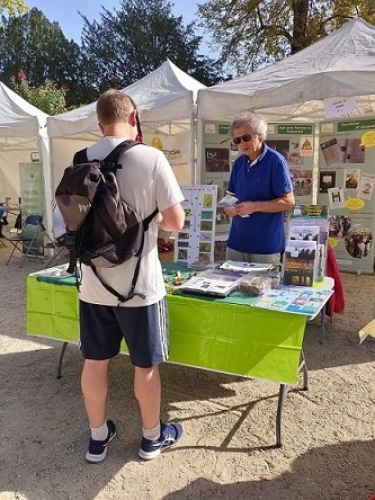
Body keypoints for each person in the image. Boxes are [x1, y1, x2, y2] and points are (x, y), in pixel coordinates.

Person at [78, 89, 185, 463]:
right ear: (134, 117)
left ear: (99, 123)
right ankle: (151, 438)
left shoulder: (80, 160)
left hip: (93, 285)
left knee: (95, 362)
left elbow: (69, 222)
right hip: (140, 288)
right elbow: (176, 221)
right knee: (146, 366)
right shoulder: (152, 157)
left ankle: (96, 438)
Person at [224, 113, 295, 264]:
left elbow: (288, 202)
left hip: (265, 247)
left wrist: (254, 206)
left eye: (246, 137)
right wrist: (227, 208)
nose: (242, 143)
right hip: (237, 243)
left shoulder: (275, 161)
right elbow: (230, 196)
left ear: (260, 135)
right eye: (237, 140)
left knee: (264, 287)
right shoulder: (238, 164)